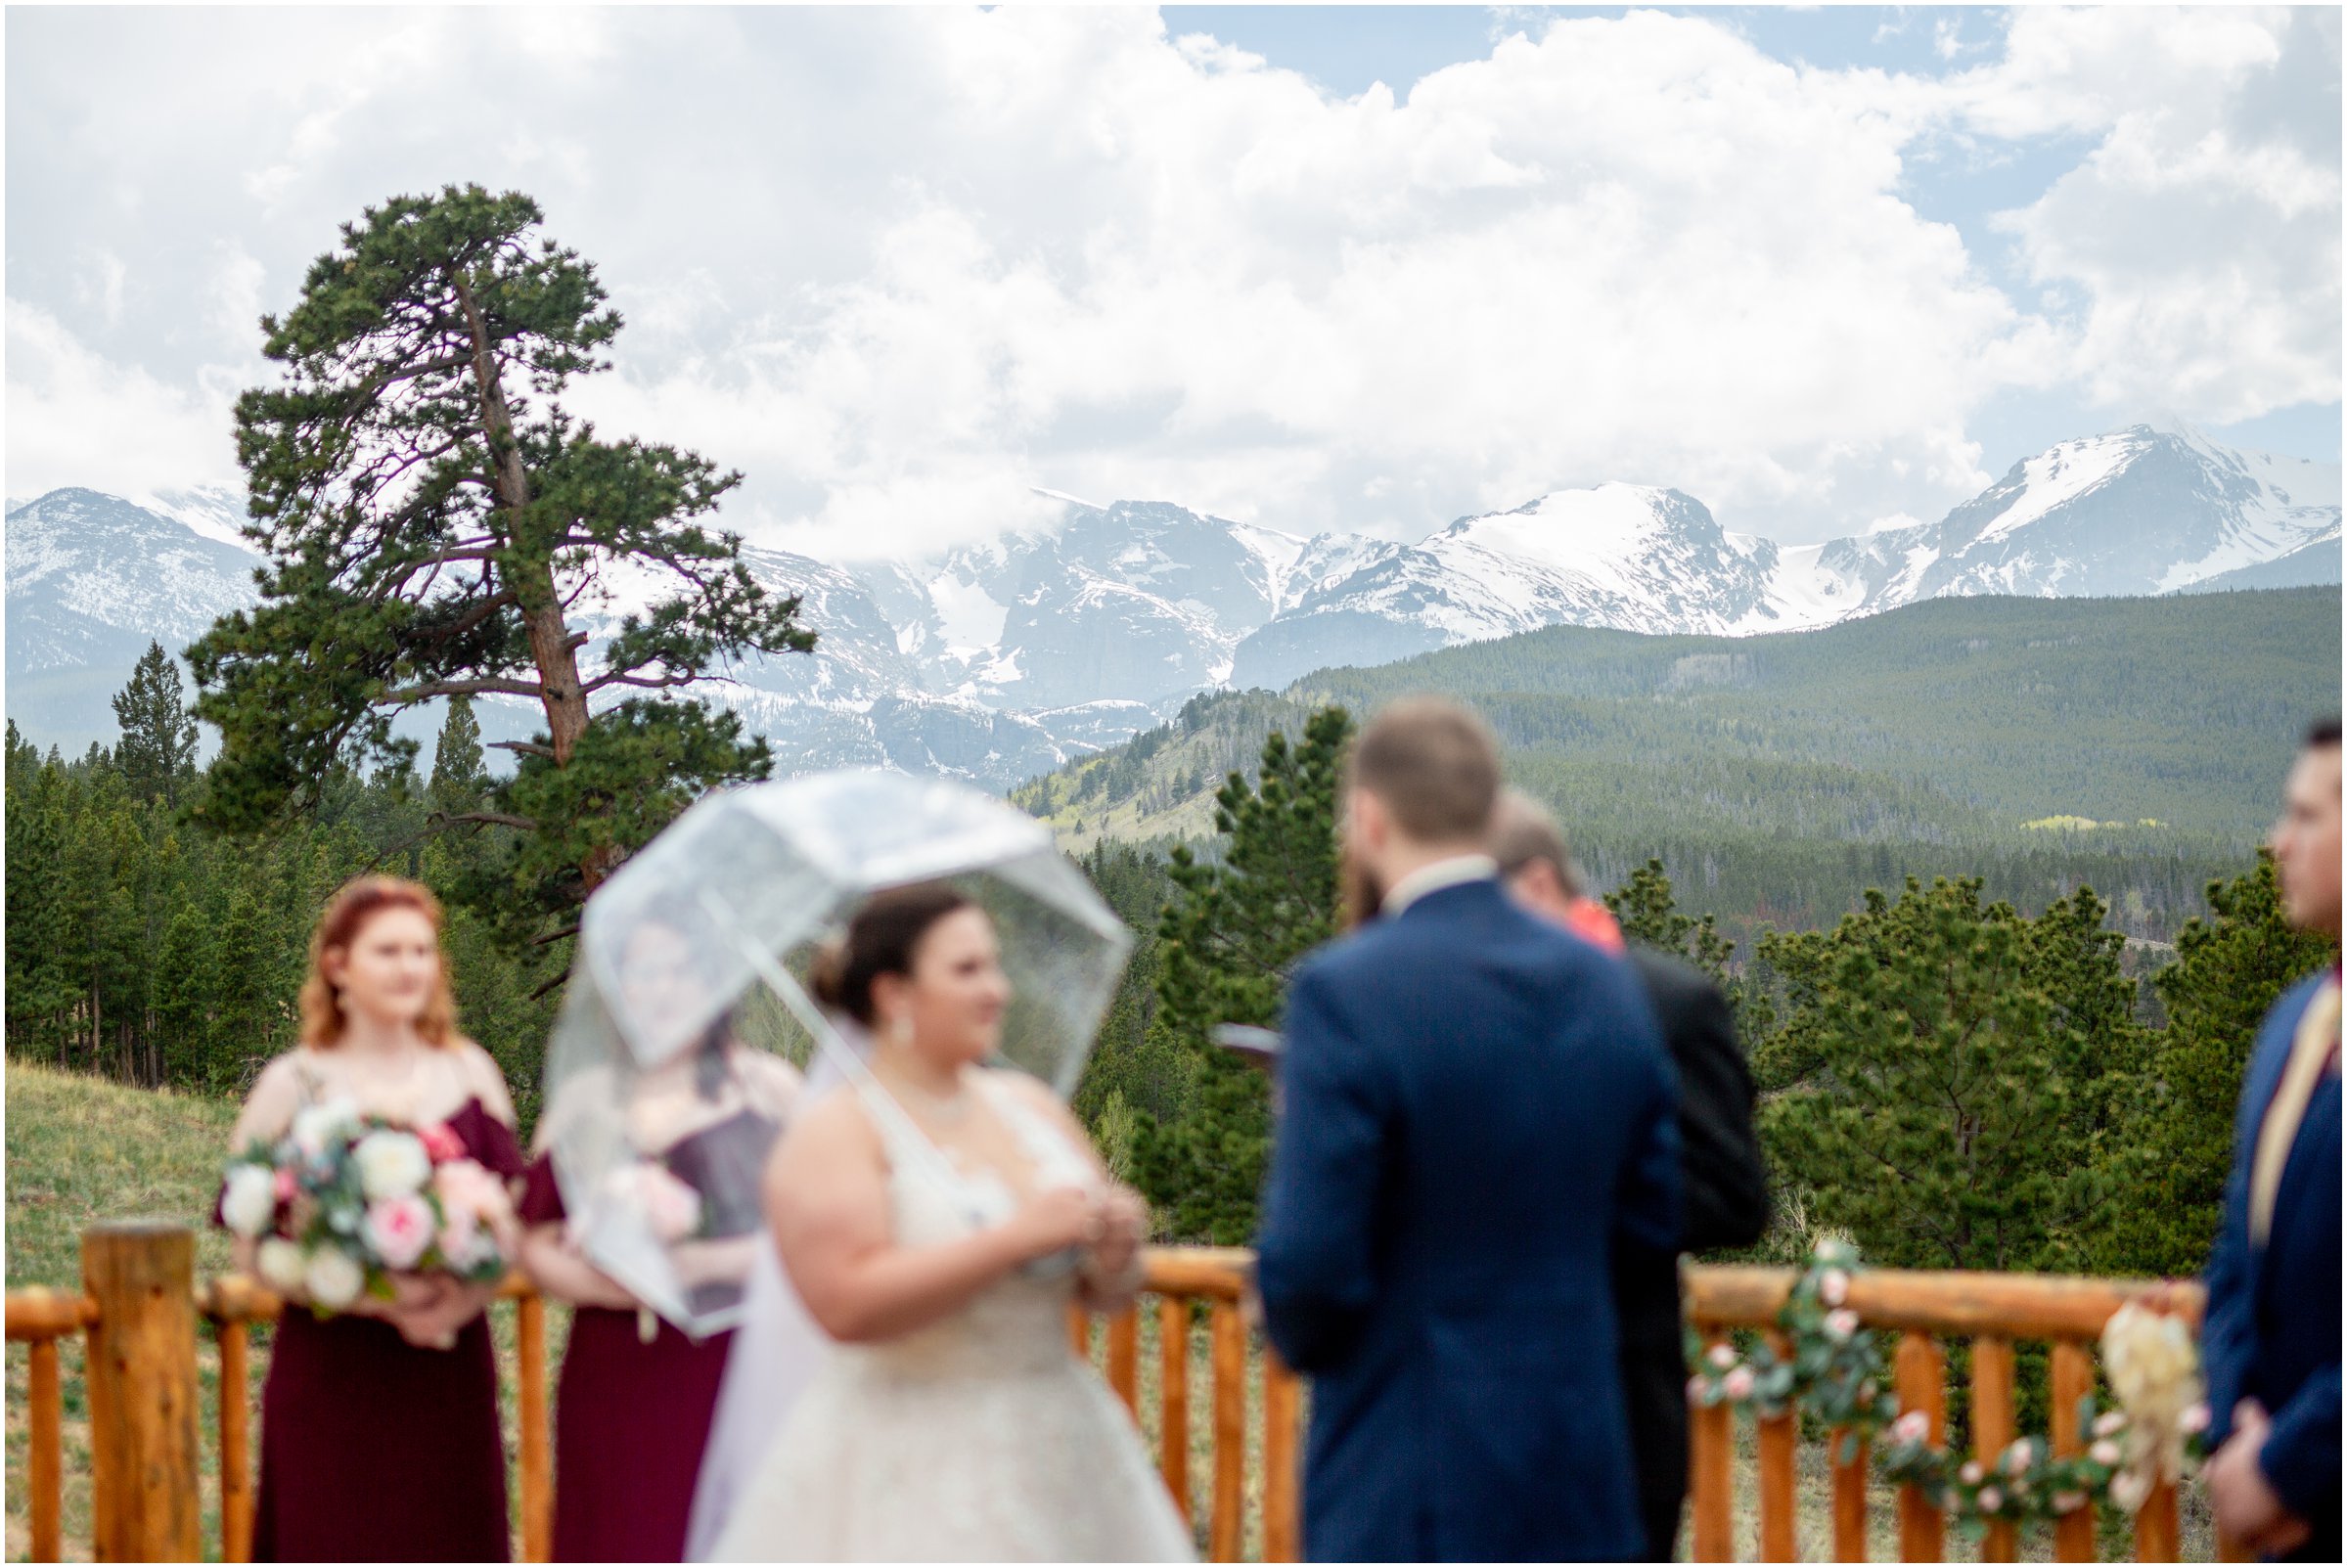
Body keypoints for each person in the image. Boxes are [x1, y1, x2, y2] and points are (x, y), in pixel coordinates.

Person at [1255, 698, 1681, 1562]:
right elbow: (1653, 1214)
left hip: (1409, 1473)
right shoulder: (1603, 982)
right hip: (1579, 1462)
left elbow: (1310, 1274)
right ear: (1489, 816)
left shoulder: (1346, 993)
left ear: (1368, 818)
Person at [709, 883, 1192, 1561]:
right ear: (893, 994)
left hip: (1060, 1437)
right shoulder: (837, 1131)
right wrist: (1014, 1238)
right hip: (909, 1448)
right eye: (966, 969)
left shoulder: (1030, 1105)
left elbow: (1105, 1294)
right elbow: (845, 1304)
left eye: (993, 965)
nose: (996, 988)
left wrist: (1114, 1249)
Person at [1490, 790, 1769, 1560]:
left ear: (1538, 885)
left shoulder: (1672, 1002)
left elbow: (1736, 1199)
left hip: (1616, 1401)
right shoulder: (1480, 1008)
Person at [219, 875, 523, 1562]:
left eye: (422, 950)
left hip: (445, 1367)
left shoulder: (472, 1072)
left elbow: (513, 1224)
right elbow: (247, 1247)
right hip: (331, 1372)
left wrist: (456, 1300)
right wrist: (369, 1297)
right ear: (337, 964)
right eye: (388, 950)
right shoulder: (291, 1082)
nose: (410, 966)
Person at [519, 919, 802, 1562]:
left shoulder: (768, 1087)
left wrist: (698, 1262)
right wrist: (621, 1285)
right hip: (617, 1367)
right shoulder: (587, 1098)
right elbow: (532, 1240)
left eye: (684, 970)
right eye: (647, 972)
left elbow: (818, 1231)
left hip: (738, 1361)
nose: (666, 988)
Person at [2201, 716, 2342, 1562]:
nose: (2275, 841)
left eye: (2305, 817)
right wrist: (2233, 1431)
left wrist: (2291, 1469)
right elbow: (2232, 1259)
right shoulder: (2291, 1020)